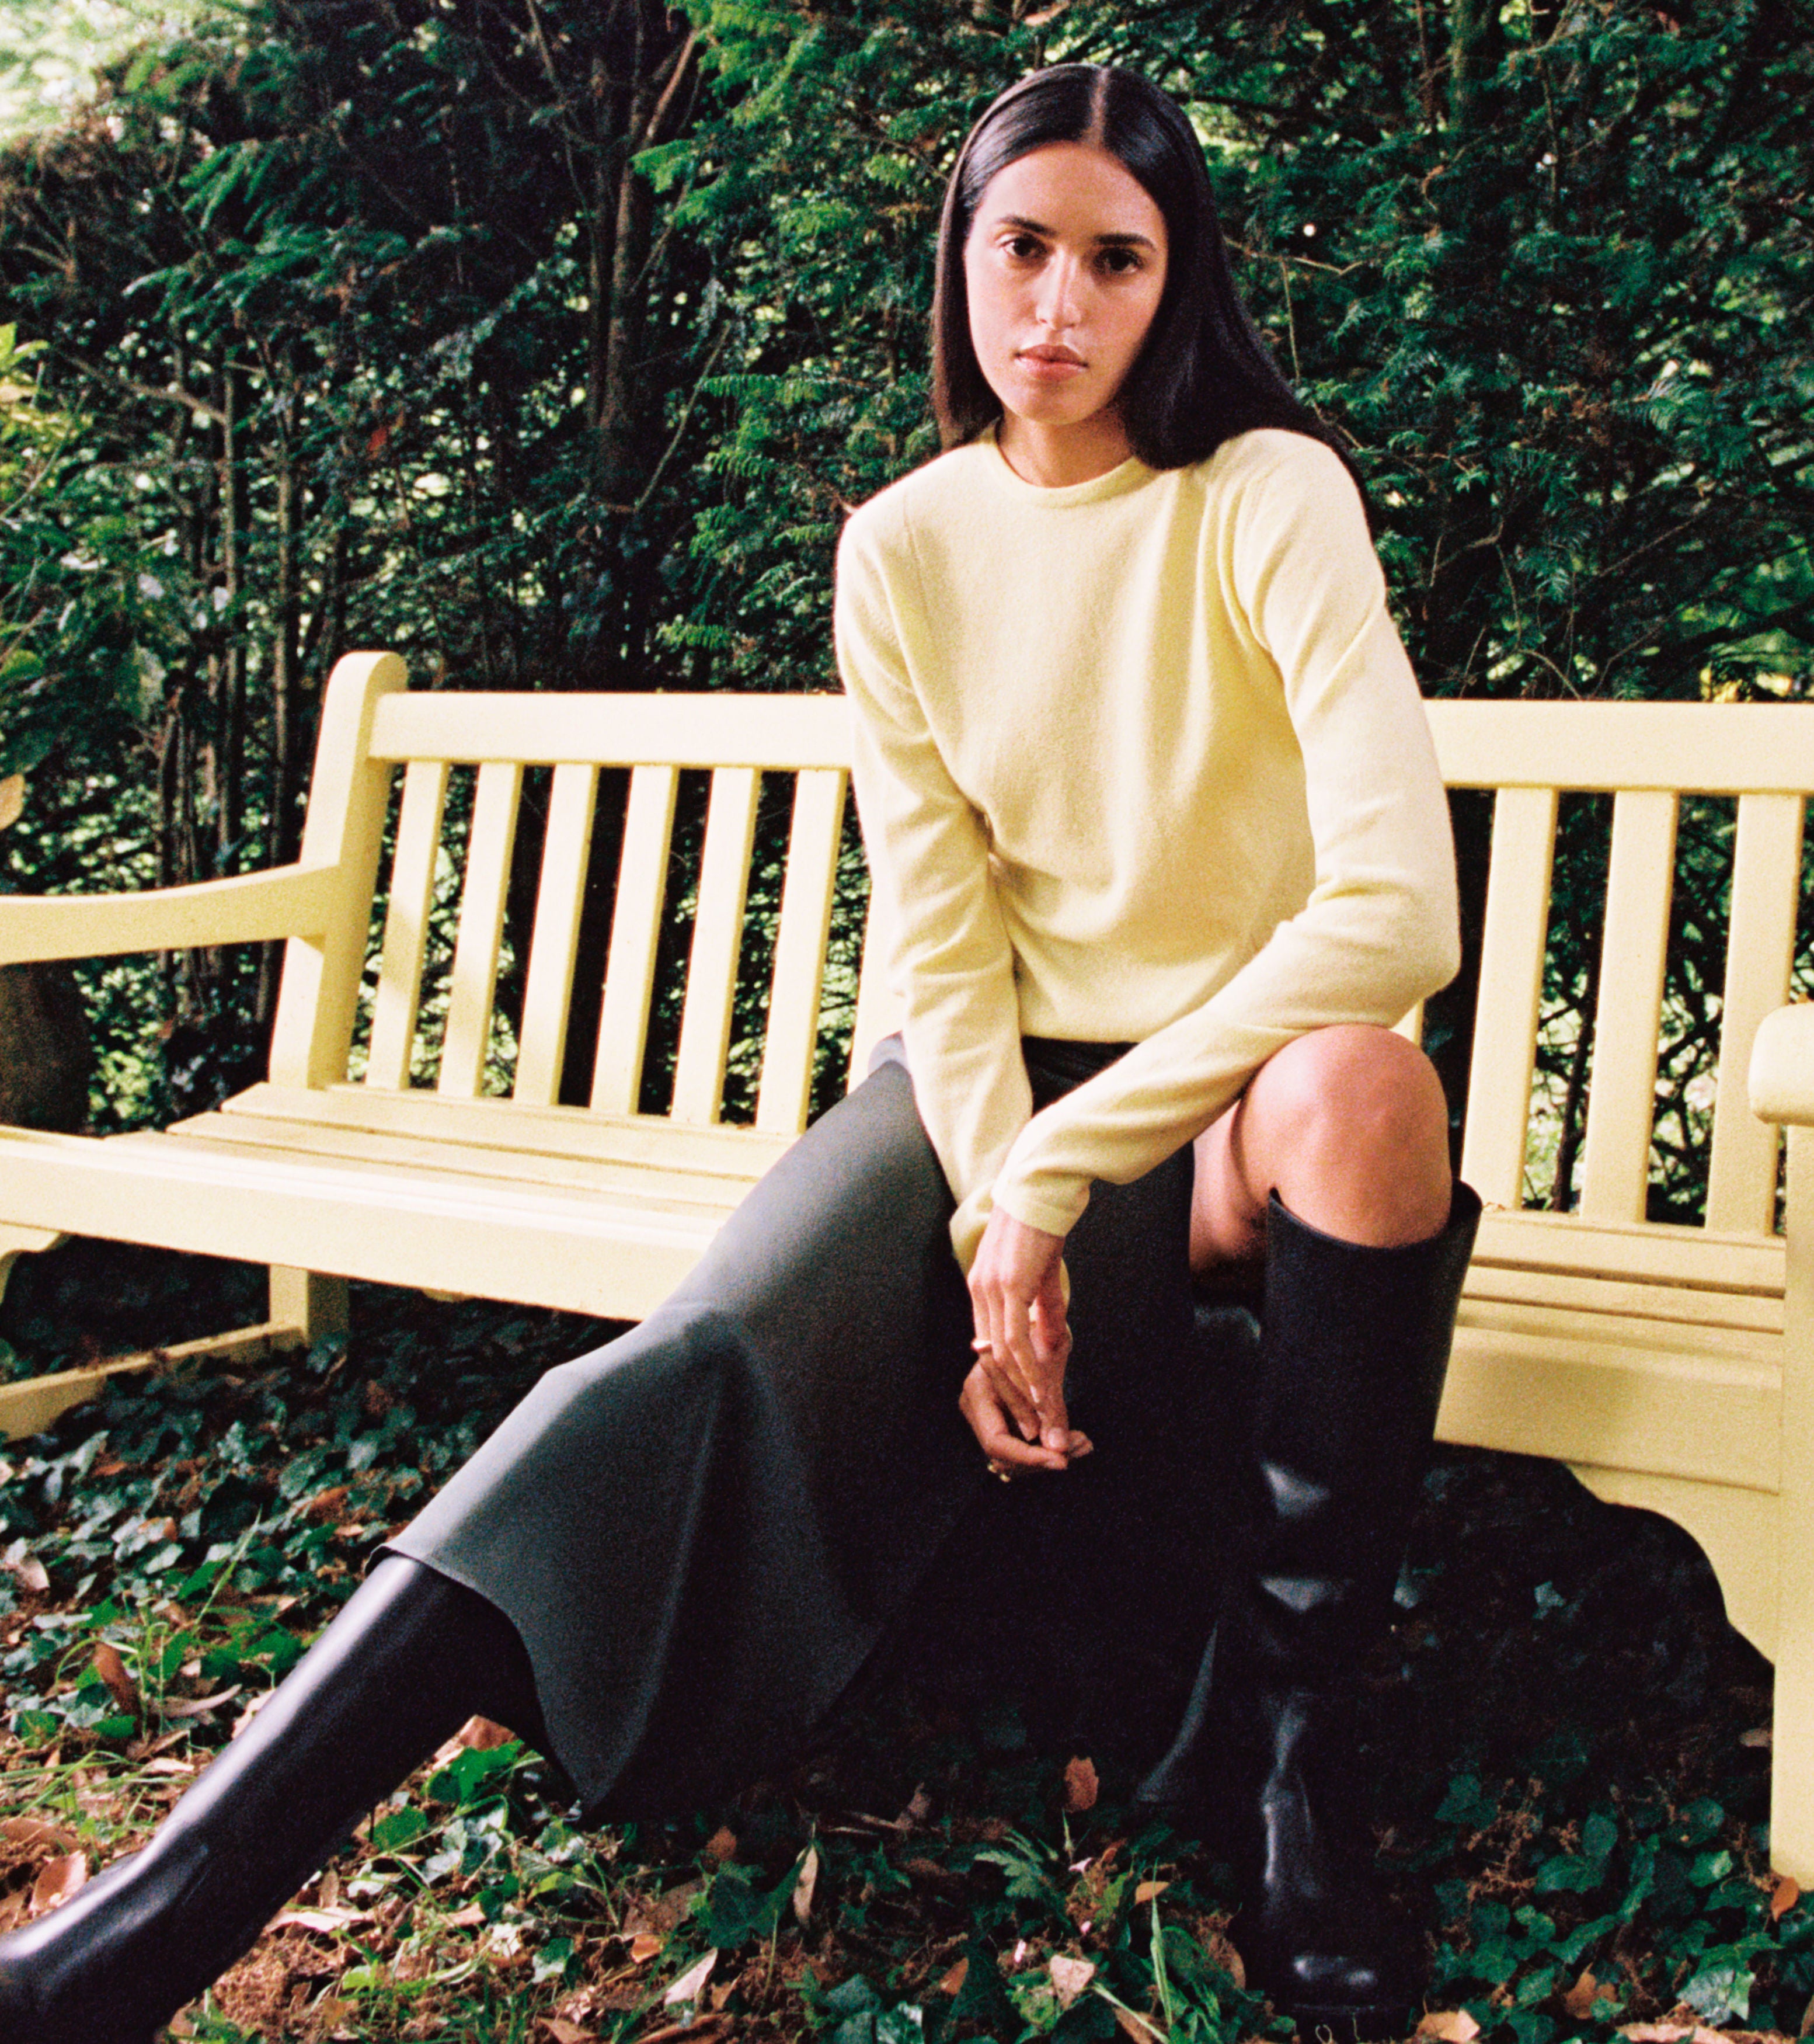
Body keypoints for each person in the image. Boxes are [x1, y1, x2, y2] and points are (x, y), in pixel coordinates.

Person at [0, 63, 1479, 2044]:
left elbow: (1396, 914)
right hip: (976, 1089)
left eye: (1112, 262)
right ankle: (138, 1936)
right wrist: (991, 1198)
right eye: (1018, 247)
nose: (1056, 303)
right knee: (685, 1364)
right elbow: (943, 939)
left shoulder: (1266, 495)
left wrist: (1054, 1178)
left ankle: (1299, 1769)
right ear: (958, 259)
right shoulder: (906, 546)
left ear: (1173, 281)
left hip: (1223, 1097)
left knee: (1371, 1088)